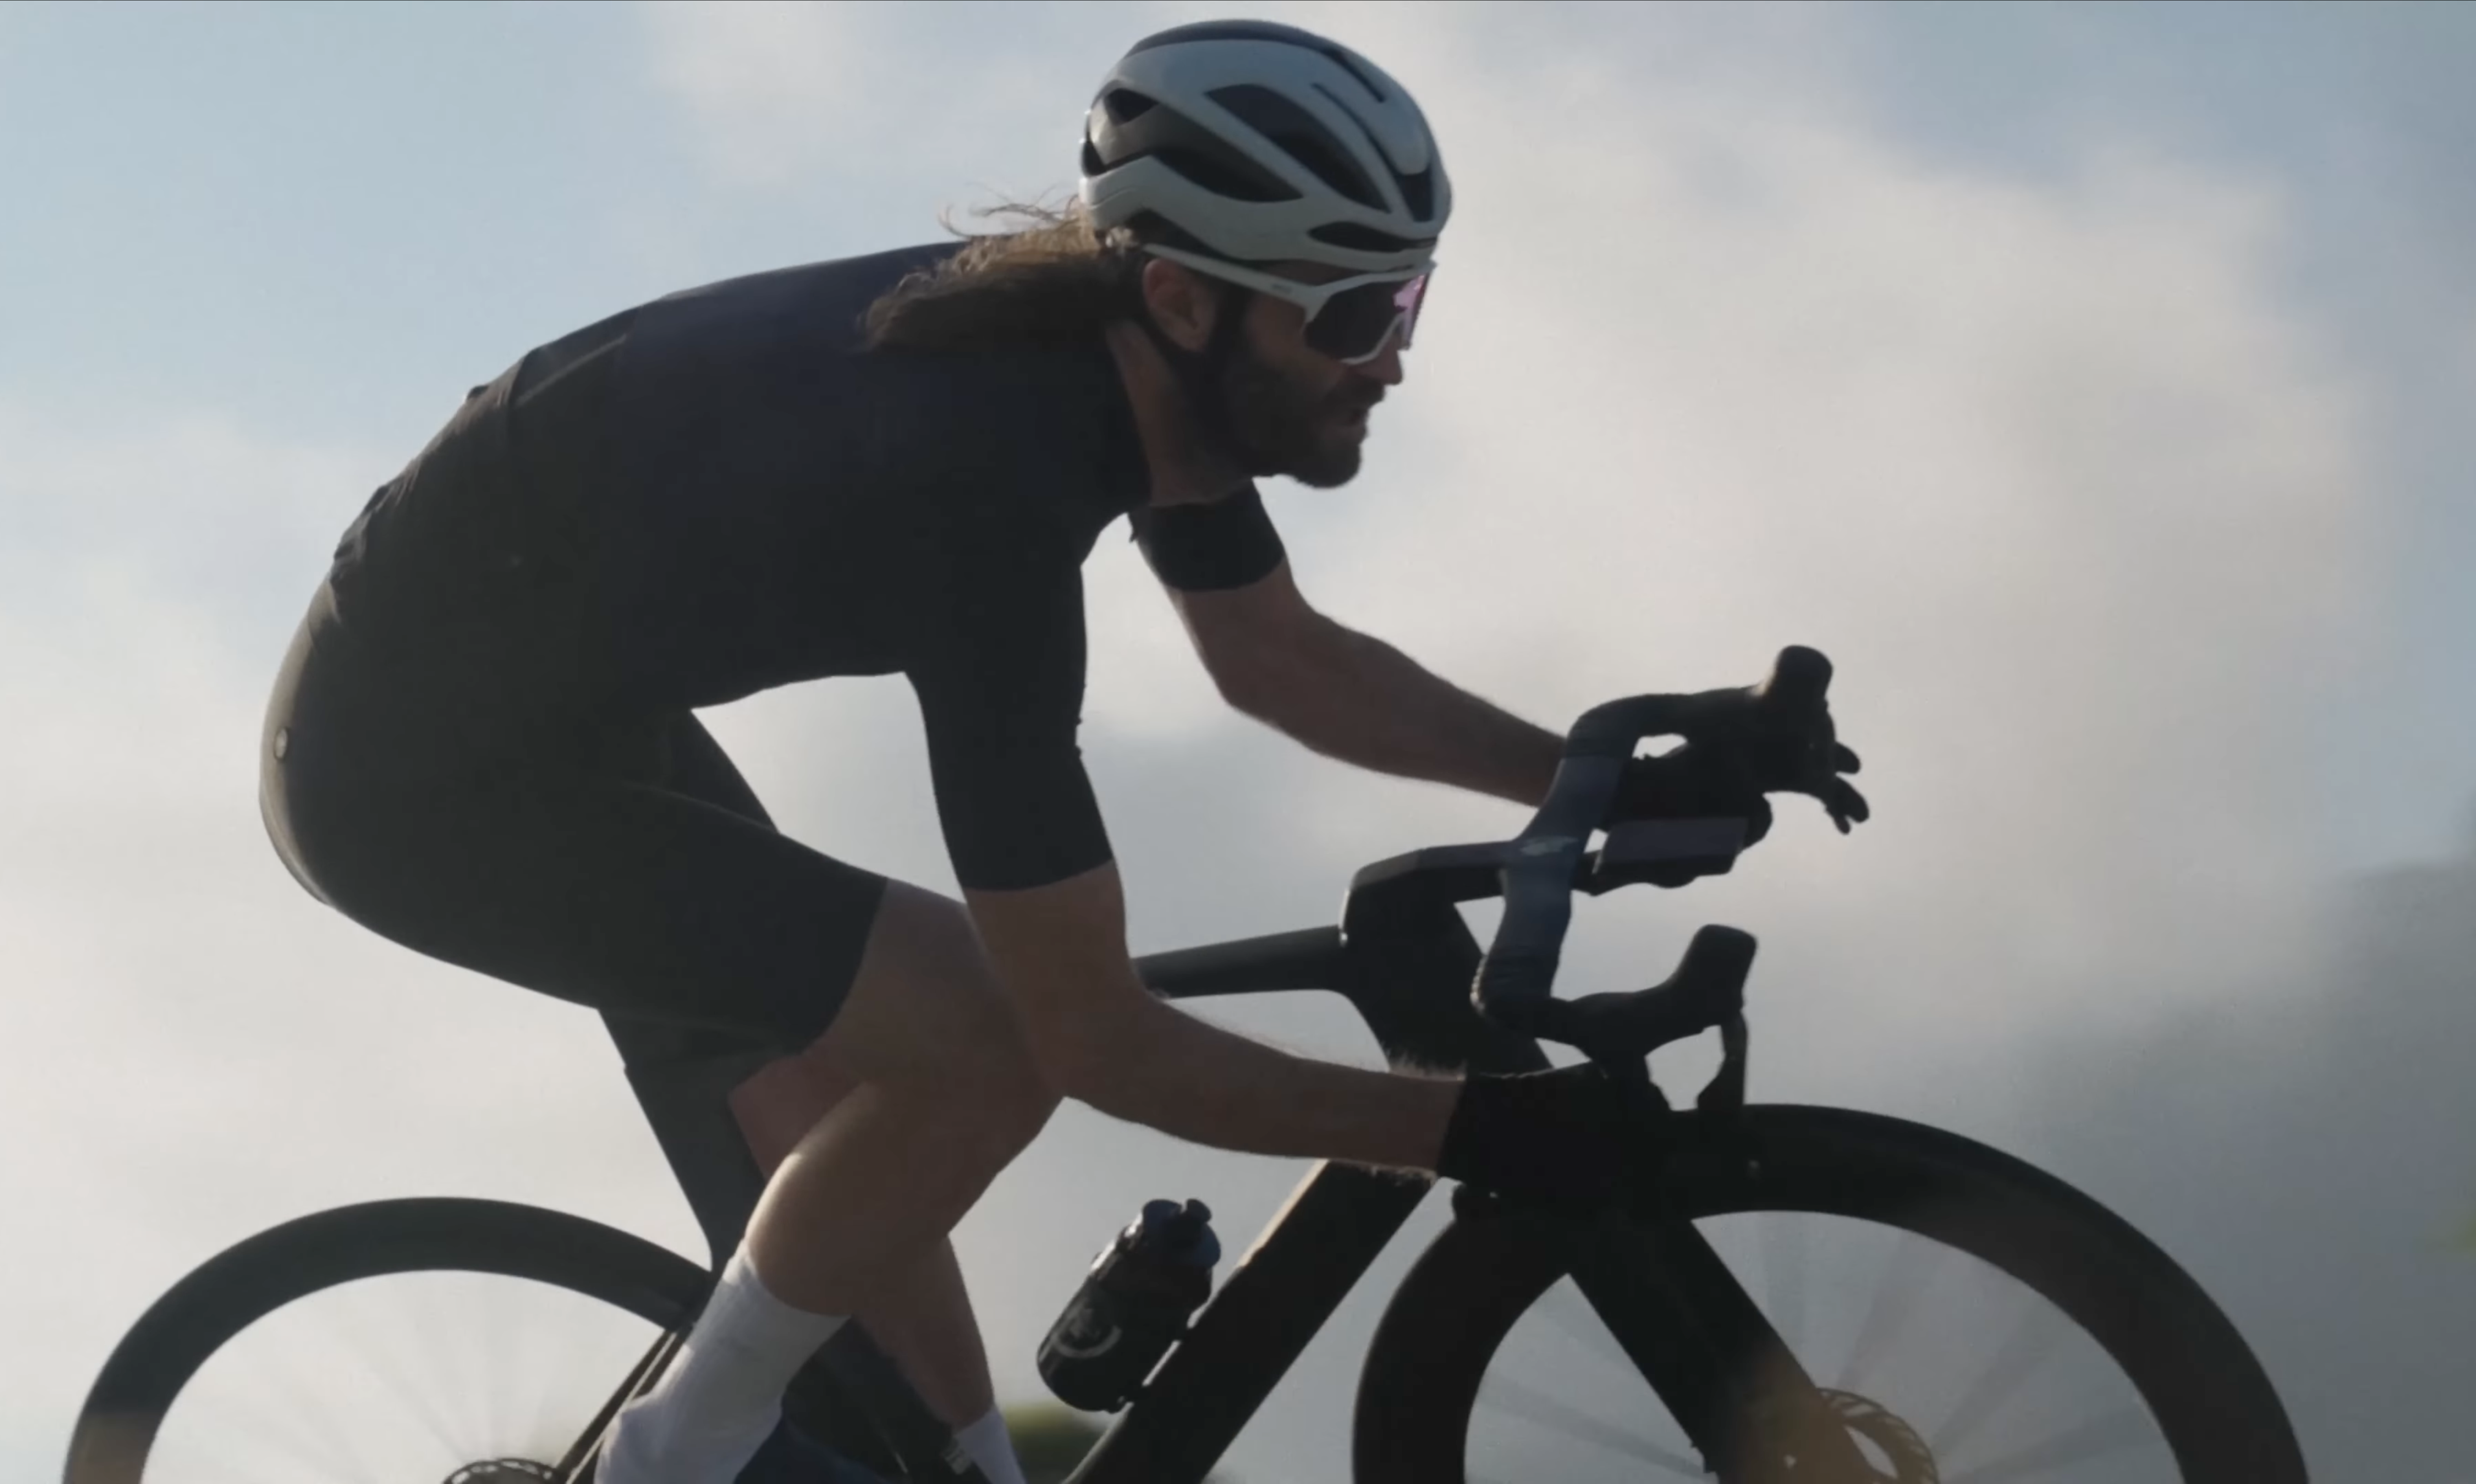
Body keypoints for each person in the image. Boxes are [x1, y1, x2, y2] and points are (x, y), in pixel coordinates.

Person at [257, 17, 1865, 1484]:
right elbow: (1100, 1045)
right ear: (1183, 297)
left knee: (918, 1133)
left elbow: (1279, 658)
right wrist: (1470, 1129)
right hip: (409, 779)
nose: (1392, 354)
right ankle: (665, 1465)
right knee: (988, 1038)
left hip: (551, 702)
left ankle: (957, 1464)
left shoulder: (1128, 363)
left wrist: (1595, 776)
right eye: (1357, 310)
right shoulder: (985, 490)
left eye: (1410, 298)